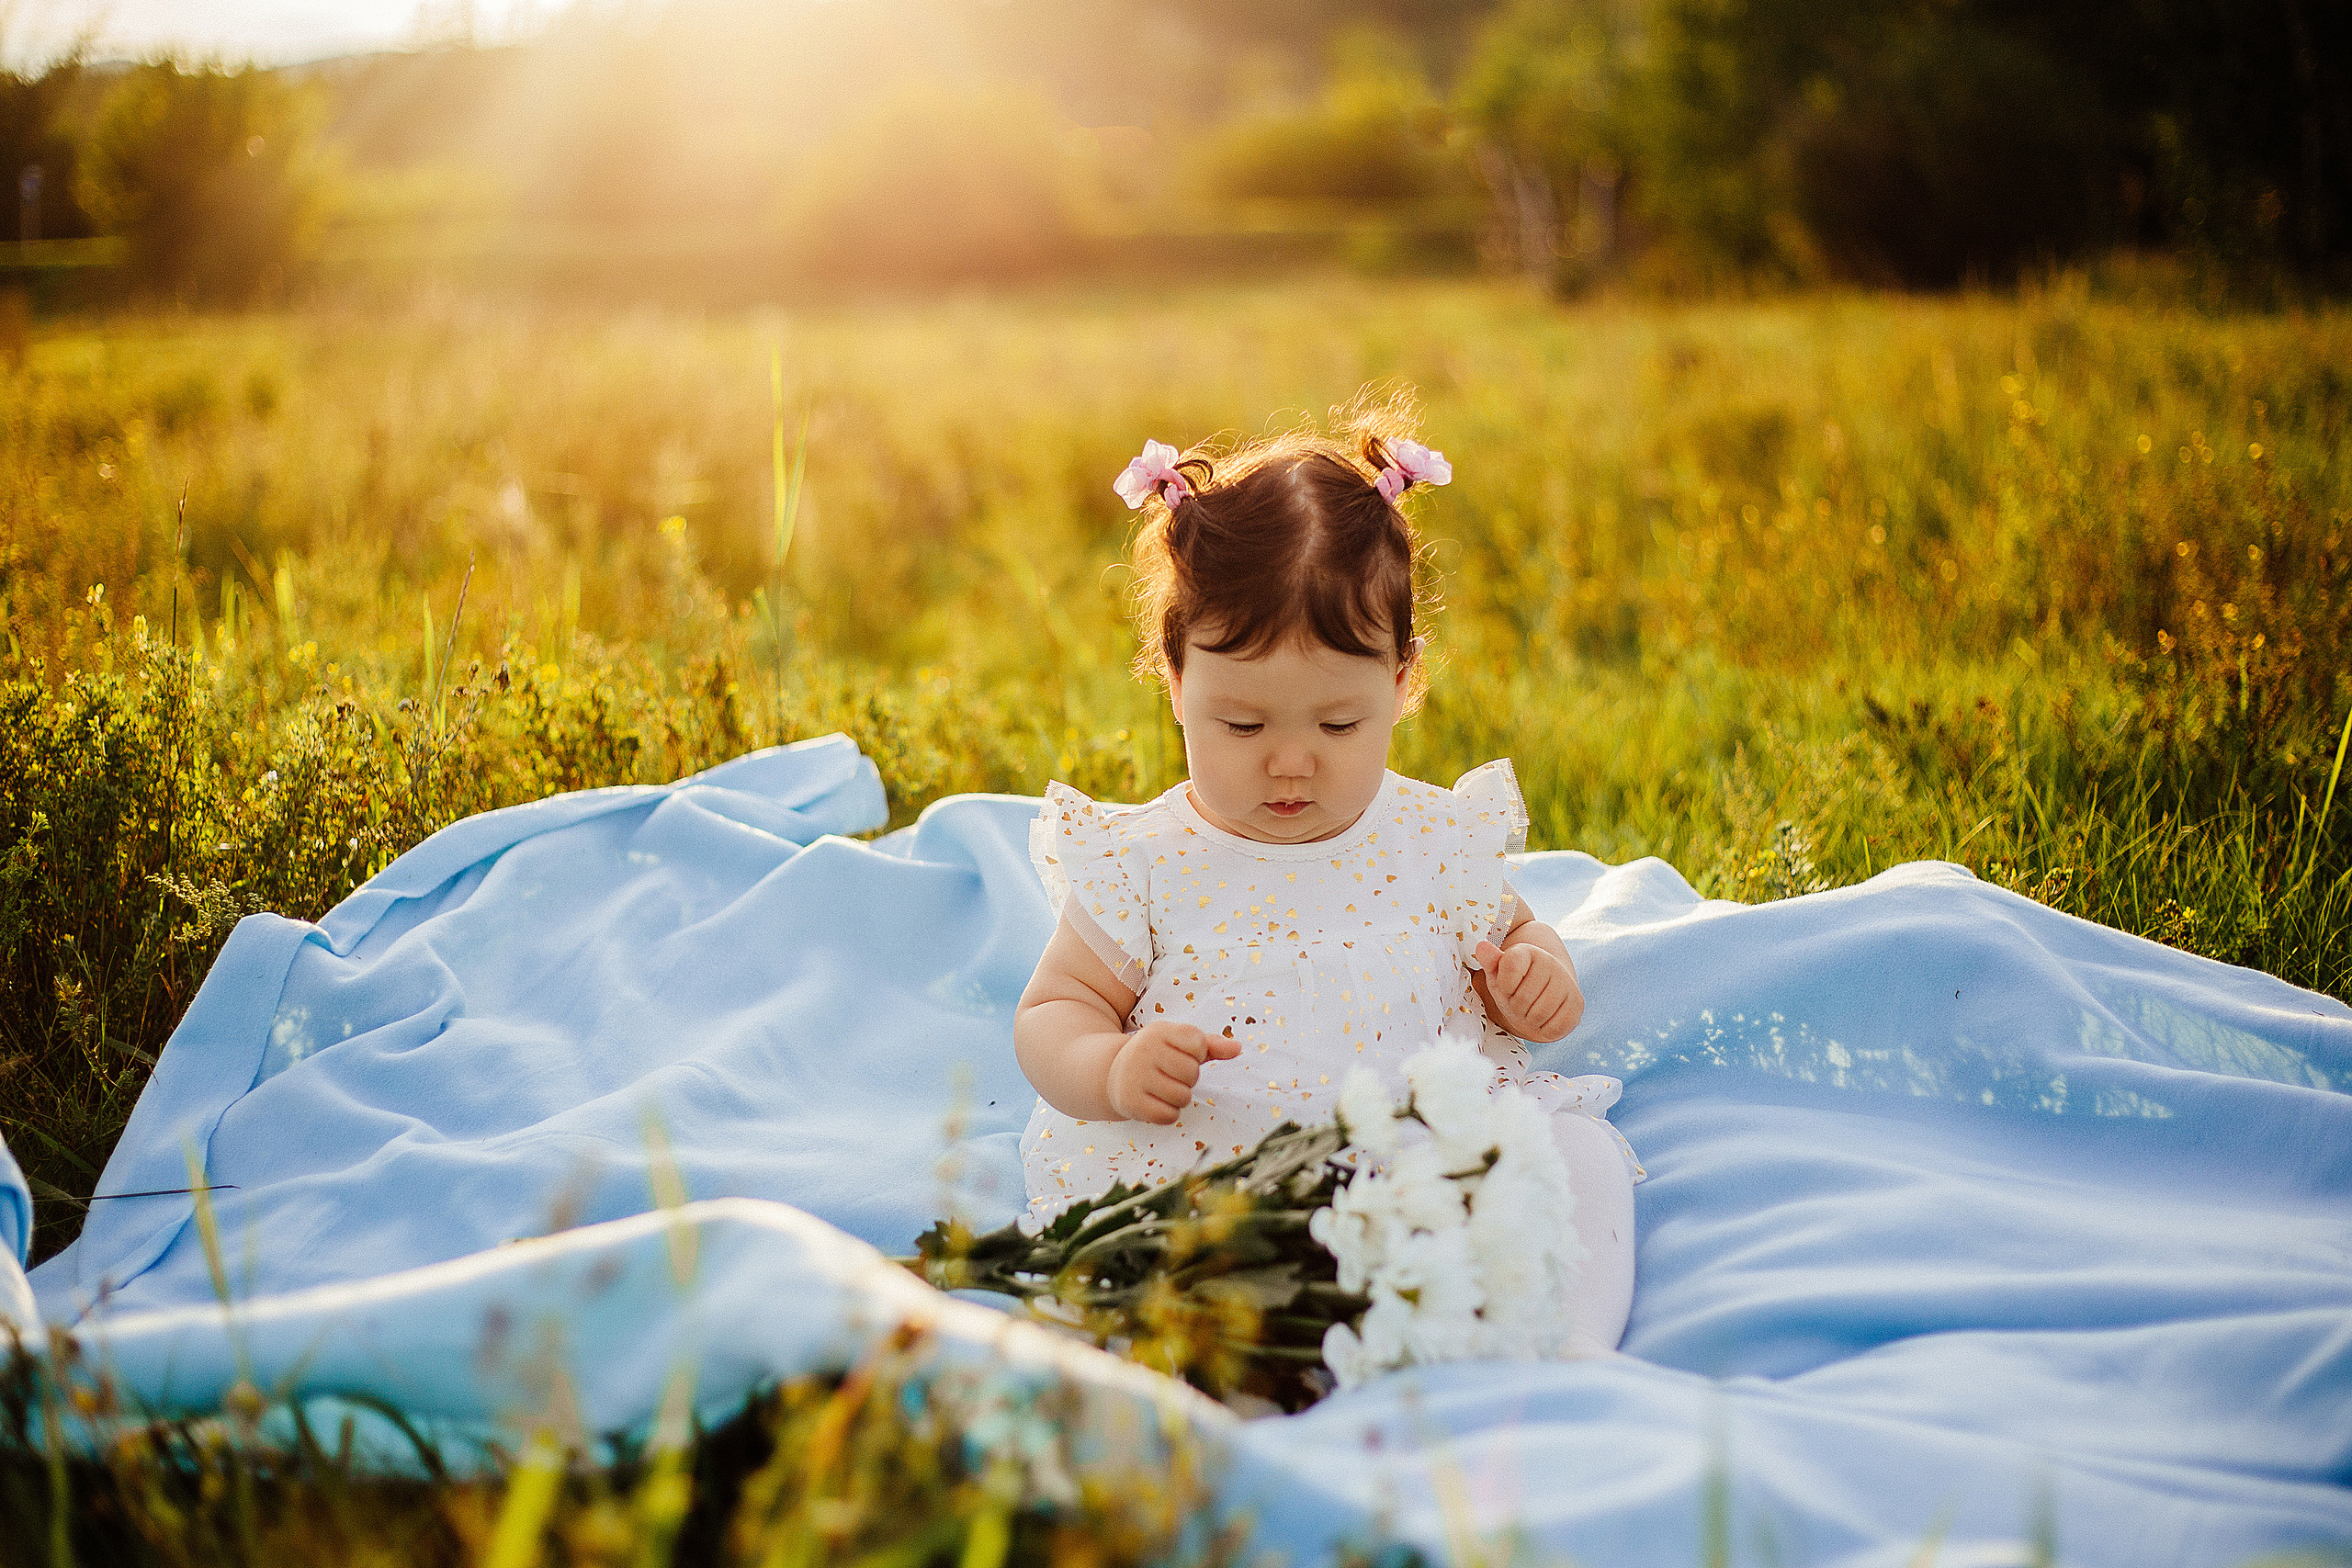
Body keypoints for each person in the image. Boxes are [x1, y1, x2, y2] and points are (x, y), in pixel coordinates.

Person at [1012, 391, 1643, 1356]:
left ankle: (1559, 1347)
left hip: (1419, 1159)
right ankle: (1251, 1363)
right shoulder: (1144, 863)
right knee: (1167, 1271)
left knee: (1577, 1158)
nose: (1290, 762)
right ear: (1174, 678)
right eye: (1243, 724)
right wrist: (1109, 1067)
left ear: (1401, 684)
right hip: (1226, 1177)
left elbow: (1517, 934)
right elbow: (1053, 1012)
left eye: (1338, 724)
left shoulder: (1431, 839)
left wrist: (1535, 979)